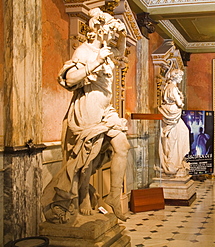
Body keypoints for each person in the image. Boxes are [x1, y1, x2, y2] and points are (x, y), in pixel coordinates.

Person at [42, 8, 130, 224]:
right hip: (88, 109)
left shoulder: (108, 51)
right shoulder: (85, 51)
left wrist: (124, 33)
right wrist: (96, 62)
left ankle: (113, 196)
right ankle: (82, 199)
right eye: (110, 32)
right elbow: (70, 80)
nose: (113, 36)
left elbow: (121, 50)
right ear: (99, 31)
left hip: (106, 111)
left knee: (123, 147)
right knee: (86, 159)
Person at [158, 69, 190, 177]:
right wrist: (181, 99)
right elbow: (180, 103)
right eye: (180, 76)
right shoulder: (172, 88)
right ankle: (172, 162)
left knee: (175, 137)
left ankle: (176, 160)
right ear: (176, 77)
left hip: (171, 114)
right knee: (175, 137)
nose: (181, 78)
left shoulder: (168, 87)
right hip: (172, 114)